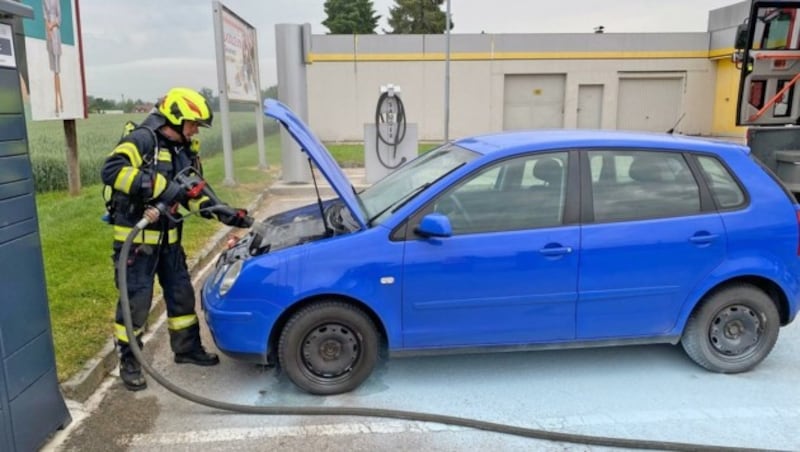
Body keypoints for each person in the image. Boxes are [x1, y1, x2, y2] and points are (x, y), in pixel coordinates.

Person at [100, 87, 250, 391]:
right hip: (138, 242)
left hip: (169, 240)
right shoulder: (143, 140)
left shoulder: (185, 150)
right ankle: (130, 360)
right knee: (136, 303)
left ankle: (187, 349)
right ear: (177, 117)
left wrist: (223, 212)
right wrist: (157, 185)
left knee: (181, 296)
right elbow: (112, 170)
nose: (196, 130)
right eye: (193, 123)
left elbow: (190, 193)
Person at [43, 0, 63, 116]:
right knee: (53, 69)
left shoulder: (57, 1)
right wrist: (48, 29)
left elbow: (59, 18)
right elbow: (45, 16)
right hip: (49, 33)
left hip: (55, 30)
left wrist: (52, 25)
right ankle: (58, 102)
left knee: (57, 70)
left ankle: (59, 102)